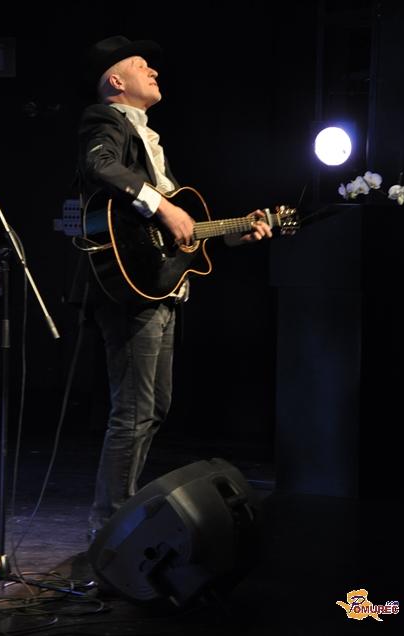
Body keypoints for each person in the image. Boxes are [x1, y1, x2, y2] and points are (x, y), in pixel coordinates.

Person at [74, 35, 272, 541]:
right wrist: (163, 205)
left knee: (153, 408)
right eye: (142, 65)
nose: (155, 72)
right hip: (130, 288)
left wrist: (235, 234)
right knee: (134, 412)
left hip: (158, 287)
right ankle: (108, 529)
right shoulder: (105, 119)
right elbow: (100, 166)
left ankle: (118, 517)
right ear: (115, 80)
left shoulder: (148, 138)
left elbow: (183, 235)